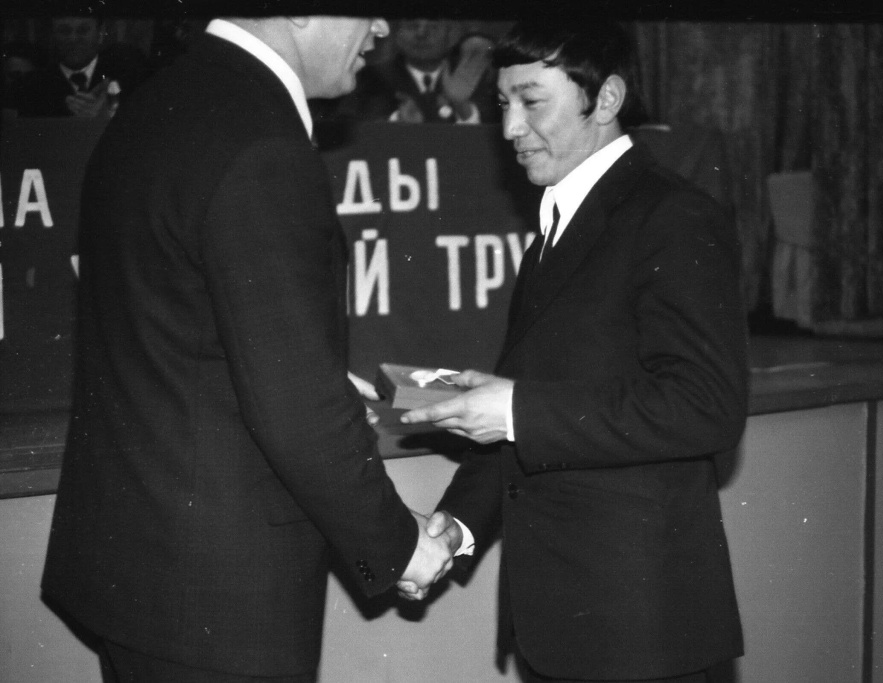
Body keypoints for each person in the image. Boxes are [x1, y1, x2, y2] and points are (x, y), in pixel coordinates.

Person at [41, 15, 456, 683]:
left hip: (139, 572)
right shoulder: (263, 141)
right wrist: (400, 545)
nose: (381, 25)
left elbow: (179, 325)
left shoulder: (159, 100)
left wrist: (305, 367)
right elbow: (296, 411)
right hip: (215, 600)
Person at [401, 17, 751, 683]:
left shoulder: (673, 215)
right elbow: (524, 412)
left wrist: (515, 410)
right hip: (561, 628)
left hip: (641, 637)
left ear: (607, 98)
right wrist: (455, 528)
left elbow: (707, 405)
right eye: (502, 104)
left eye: (532, 102)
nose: (510, 128)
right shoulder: (555, 227)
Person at [315, 18, 498, 125]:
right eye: (412, 26)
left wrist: (462, 107)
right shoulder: (367, 78)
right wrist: (396, 122)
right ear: (397, 34)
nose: (421, 34)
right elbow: (345, 128)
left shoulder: (473, 77)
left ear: (450, 34)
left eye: (433, 27)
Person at [14, 15, 147, 118]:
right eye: (64, 31)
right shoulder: (32, 86)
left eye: (83, 30)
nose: (73, 39)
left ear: (100, 33)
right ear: (53, 35)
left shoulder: (127, 76)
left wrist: (107, 116)